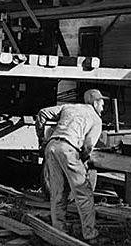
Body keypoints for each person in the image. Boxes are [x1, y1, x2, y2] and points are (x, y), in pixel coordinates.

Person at [35, 89, 105, 243]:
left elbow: (42, 113)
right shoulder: (96, 119)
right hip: (69, 149)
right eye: (102, 104)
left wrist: (41, 138)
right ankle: (90, 234)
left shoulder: (69, 107)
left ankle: (59, 231)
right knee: (83, 193)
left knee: (58, 192)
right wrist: (83, 160)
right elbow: (88, 146)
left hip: (52, 147)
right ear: (95, 103)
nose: (103, 108)